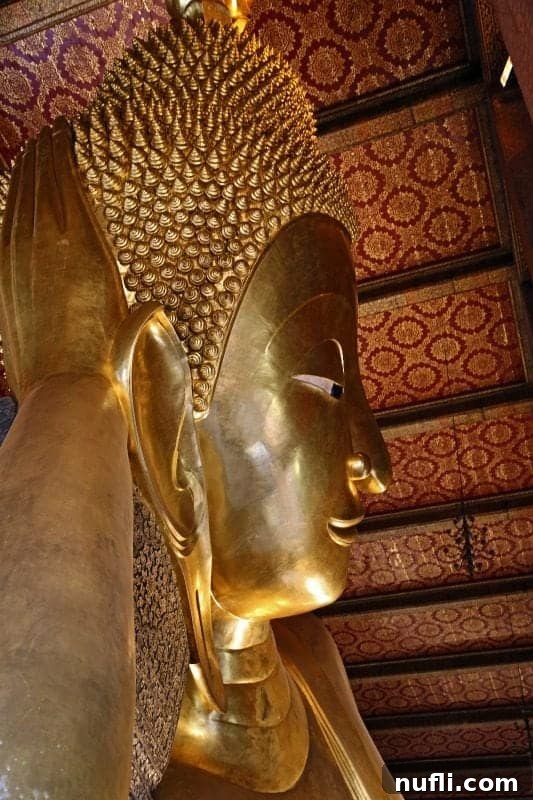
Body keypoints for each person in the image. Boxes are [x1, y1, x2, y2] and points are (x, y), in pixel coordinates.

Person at [0, 9, 401, 799]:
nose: (376, 464)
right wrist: (73, 384)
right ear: (162, 413)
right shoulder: (115, 729)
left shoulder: (313, 663)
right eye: (329, 386)